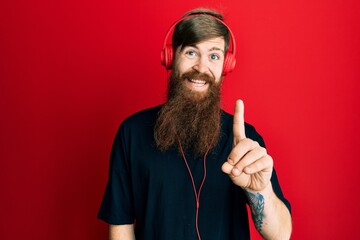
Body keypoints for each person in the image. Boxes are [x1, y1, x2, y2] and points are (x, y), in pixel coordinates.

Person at [98, 8, 292, 240]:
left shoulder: (245, 142)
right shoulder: (132, 132)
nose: (201, 68)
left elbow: (281, 235)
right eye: (191, 52)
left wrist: (260, 191)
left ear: (226, 65)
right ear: (170, 57)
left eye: (213, 56)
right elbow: (121, 225)